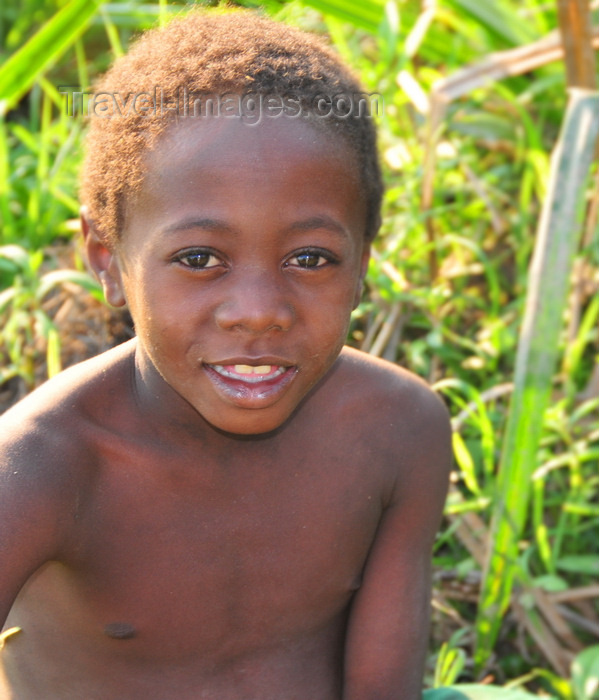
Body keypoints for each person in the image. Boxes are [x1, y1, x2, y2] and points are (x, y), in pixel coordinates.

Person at [0, 10, 452, 700]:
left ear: (362, 259)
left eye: (309, 258)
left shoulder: (396, 432)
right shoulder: (41, 465)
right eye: (199, 258)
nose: (258, 310)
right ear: (107, 259)